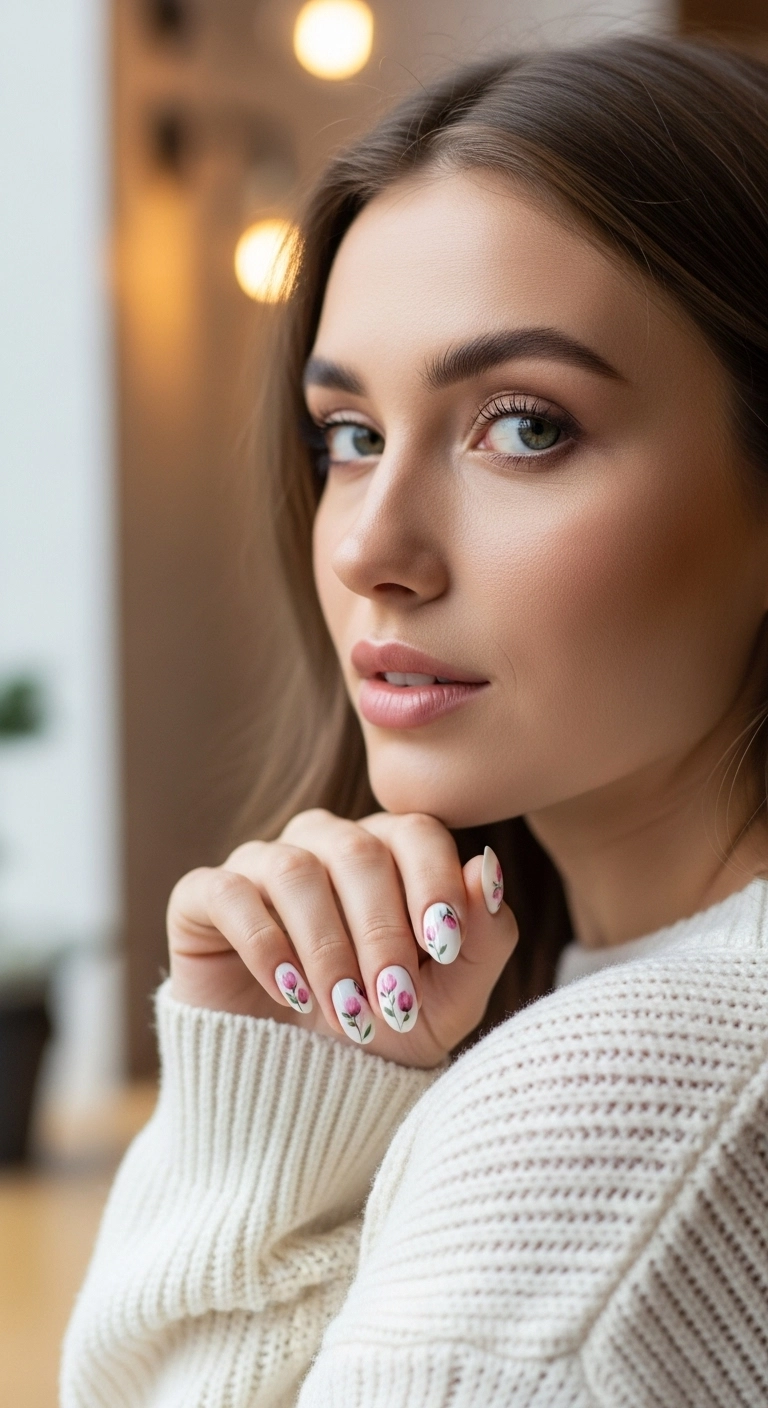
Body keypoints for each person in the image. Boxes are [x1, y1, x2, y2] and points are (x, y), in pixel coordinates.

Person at [62, 35, 768, 1407]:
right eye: (350, 435)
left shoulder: (615, 1110)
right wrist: (281, 1113)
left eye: (526, 427)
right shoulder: (564, 1016)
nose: (370, 547)